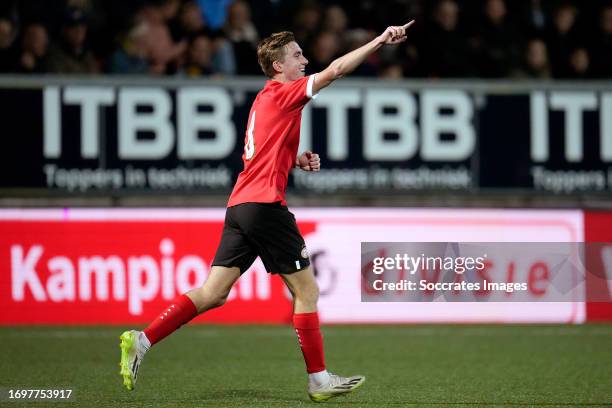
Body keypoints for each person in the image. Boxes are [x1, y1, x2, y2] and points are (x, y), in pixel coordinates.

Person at [119, 20, 415, 402]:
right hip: (264, 206)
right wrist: (378, 39)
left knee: (213, 292)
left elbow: (262, 152)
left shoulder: (264, 100)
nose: (304, 60)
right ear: (278, 65)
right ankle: (319, 379)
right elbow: (336, 70)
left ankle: (142, 340)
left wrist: (296, 160)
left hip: (240, 205)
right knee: (306, 290)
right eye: (297, 55)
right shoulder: (285, 93)